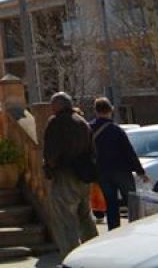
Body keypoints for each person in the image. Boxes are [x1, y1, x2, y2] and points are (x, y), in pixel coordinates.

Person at [44, 91, 99, 257]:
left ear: (57, 106)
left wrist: (49, 168)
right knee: (85, 217)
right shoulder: (82, 122)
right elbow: (93, 150)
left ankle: (70, 256)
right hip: (83, 175)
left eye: (52, 105)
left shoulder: (56, 122)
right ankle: (93, 252)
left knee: (65, 220)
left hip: (64, 175)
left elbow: (51, 153)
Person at [89, 97, 150, 230]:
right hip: (121, 171)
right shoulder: (116, 130)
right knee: (132, 202)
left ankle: (114, 231)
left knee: (111, 204)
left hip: (102, 172)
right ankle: (136, 229)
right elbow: (129, 152)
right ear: (110, 110)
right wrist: (140, 172)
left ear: (96, 111)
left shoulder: (89, 129)